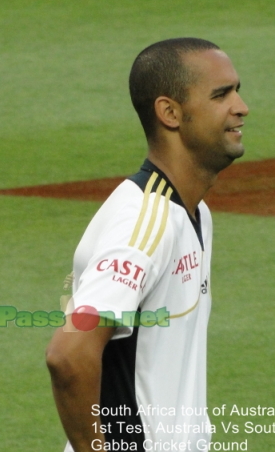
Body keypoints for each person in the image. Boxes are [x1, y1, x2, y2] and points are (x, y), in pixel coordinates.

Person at [46, 38, 249, 452]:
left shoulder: (192, 213)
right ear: (170, 113)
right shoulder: (145, 224)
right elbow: (68, 352)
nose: (241, 106)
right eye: (221, 95)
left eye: (237, 90)